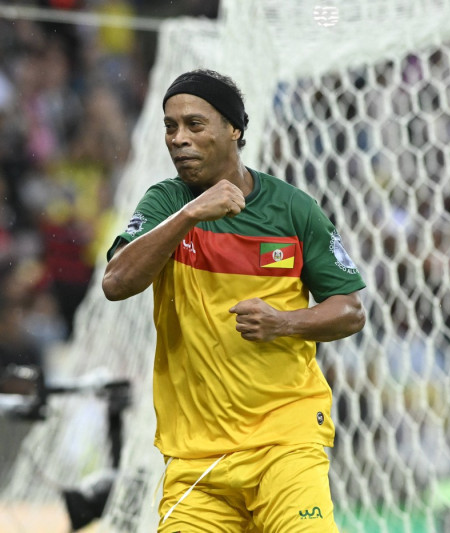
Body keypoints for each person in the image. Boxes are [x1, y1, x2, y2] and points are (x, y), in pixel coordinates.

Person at [102, 69, 367, 532]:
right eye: (170, 126)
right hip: (196, 458)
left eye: (194, 125)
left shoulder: (293, 209)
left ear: (234, 129)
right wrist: (189, 215)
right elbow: (116, 282)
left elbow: (349, 309)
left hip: (284, 443)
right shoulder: (167, 203)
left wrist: (283, 323)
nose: (178, 139)